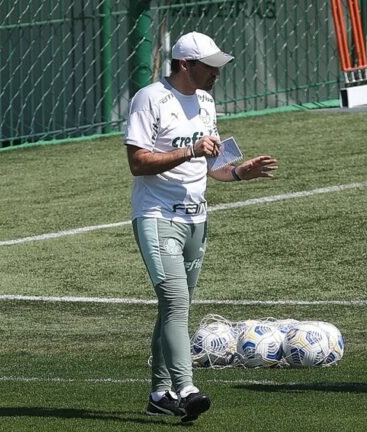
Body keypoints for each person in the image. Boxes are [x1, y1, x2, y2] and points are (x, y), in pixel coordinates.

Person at [124, 31, 278, 422]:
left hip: (197, 218)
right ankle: (186, 388)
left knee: (174, 307)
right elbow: (138, 162)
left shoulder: (207, 101)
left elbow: (211, 165)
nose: (217, 73)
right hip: (158, 218)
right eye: (209, 66)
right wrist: (189, 150)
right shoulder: (150, 99)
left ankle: (160, 393)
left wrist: (240, 173)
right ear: (185, 65)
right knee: (176, 303)